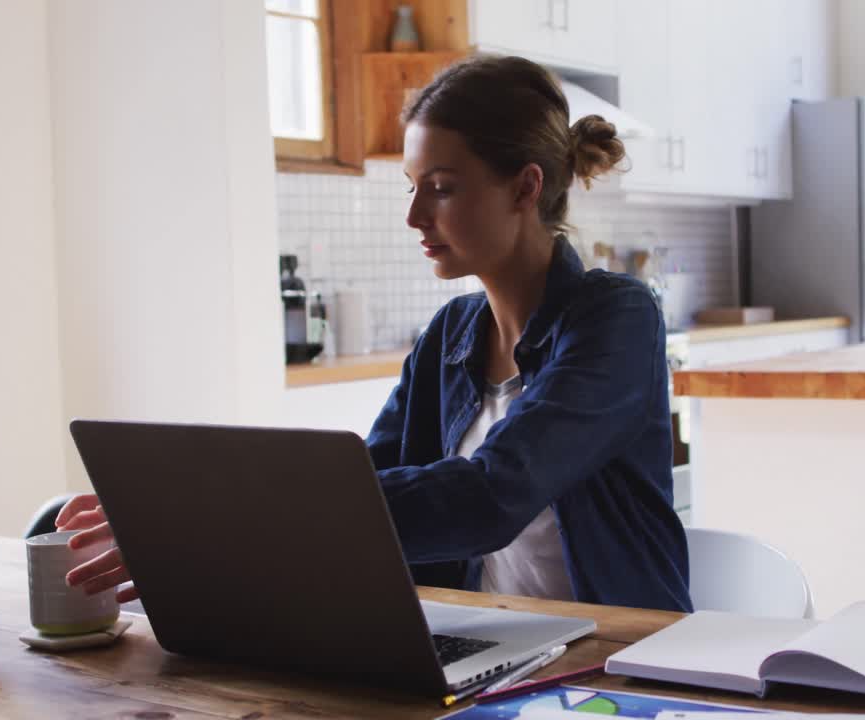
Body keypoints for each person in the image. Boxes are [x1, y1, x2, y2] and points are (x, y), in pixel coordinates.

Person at [59, 55, 692, 612]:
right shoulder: (451, 334)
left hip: (620, 662)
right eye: (414, 188)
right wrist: (185, 506)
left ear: (525, 187)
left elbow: (490, 496)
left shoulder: (618, 317)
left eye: (441, 189)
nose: (415, 216)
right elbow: (355, 482)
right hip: (491, 648)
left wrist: (225, 521)